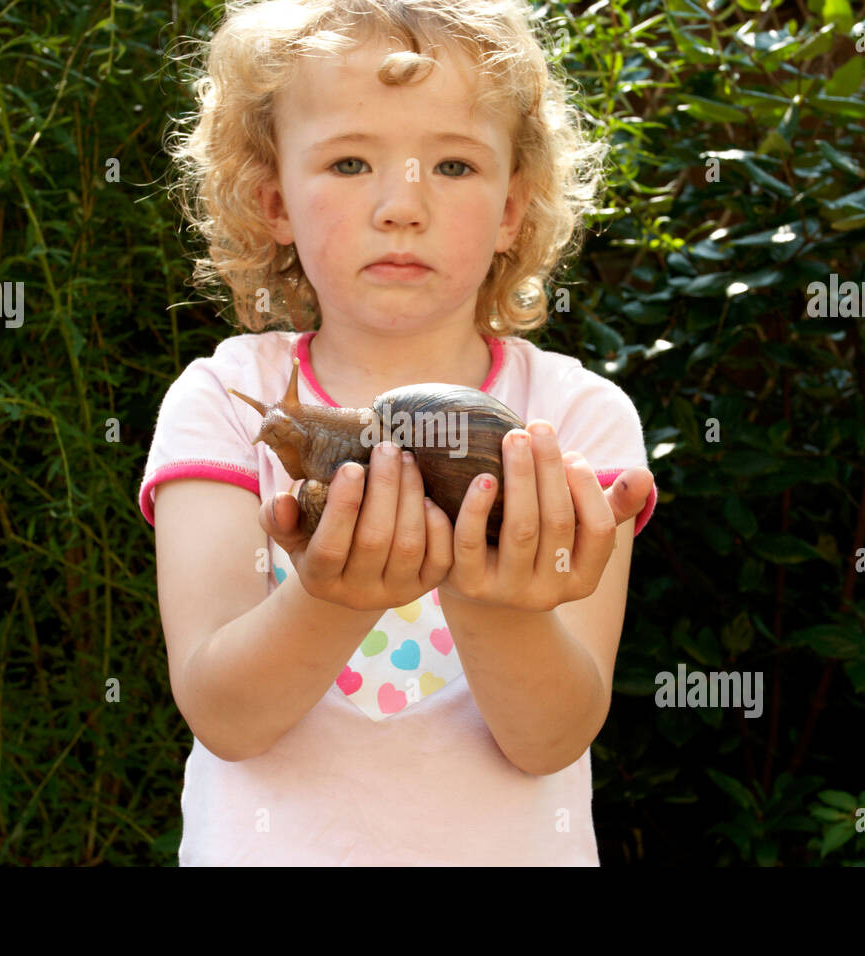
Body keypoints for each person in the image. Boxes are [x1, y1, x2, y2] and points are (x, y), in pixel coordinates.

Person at [139, 0, 658, 865]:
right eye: (349, 161)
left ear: (511, 211)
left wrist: (495, 602)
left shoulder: (576, 421)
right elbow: (225, 717)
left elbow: (550, 740)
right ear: (274, 202)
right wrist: (329, 597)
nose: (401, 206)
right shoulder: (228, 401)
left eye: (453, 165)